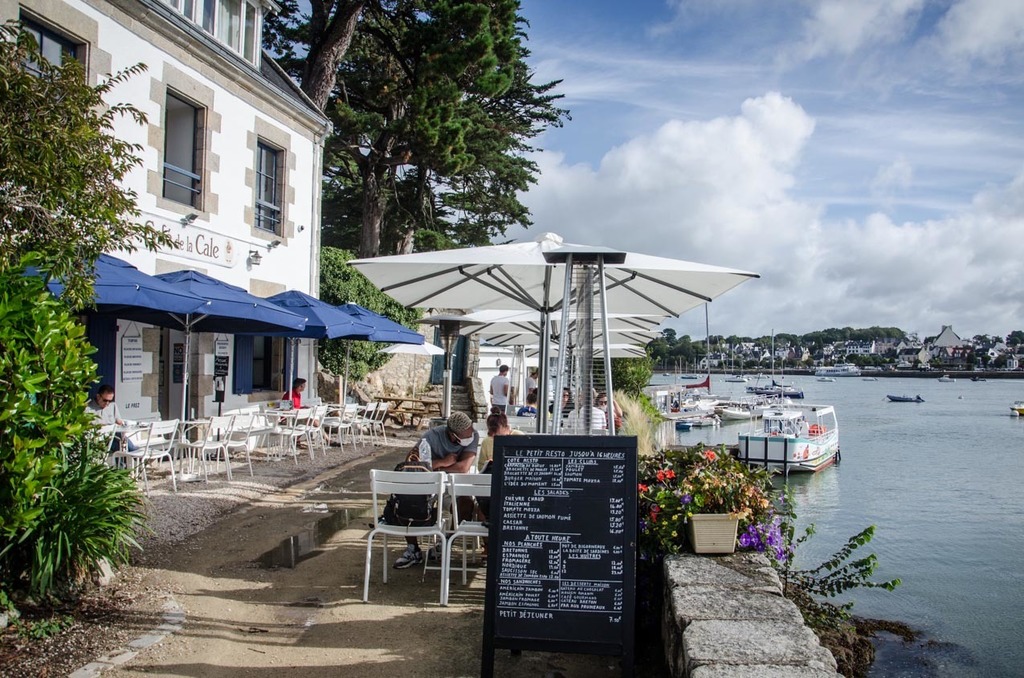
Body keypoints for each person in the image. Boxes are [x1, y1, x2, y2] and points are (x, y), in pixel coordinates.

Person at [393, 411, 479, 568]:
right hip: (428, 483)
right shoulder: (431, 436)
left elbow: (463, 468)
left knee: (465, 503)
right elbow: (411, 463)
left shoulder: (473, 435)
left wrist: (432, 466)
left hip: (452, 484)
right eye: (466, 434)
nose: (471, 435)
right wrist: (442, 463)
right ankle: (413, 549)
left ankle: (446, 541)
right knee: (407, 501)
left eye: (471, 430)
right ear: (453, 435)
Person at [86, 384, 137, 452]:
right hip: (99, 438)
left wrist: (122, 425)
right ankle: (137, 456)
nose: (107, 403)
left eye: (110, 401)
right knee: (121, 446)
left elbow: (119, 422)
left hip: (114, 436)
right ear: (98, 397)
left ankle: (138, 456)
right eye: (105, 400)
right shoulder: (88, 408)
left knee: (124, 443)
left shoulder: (112, 405)